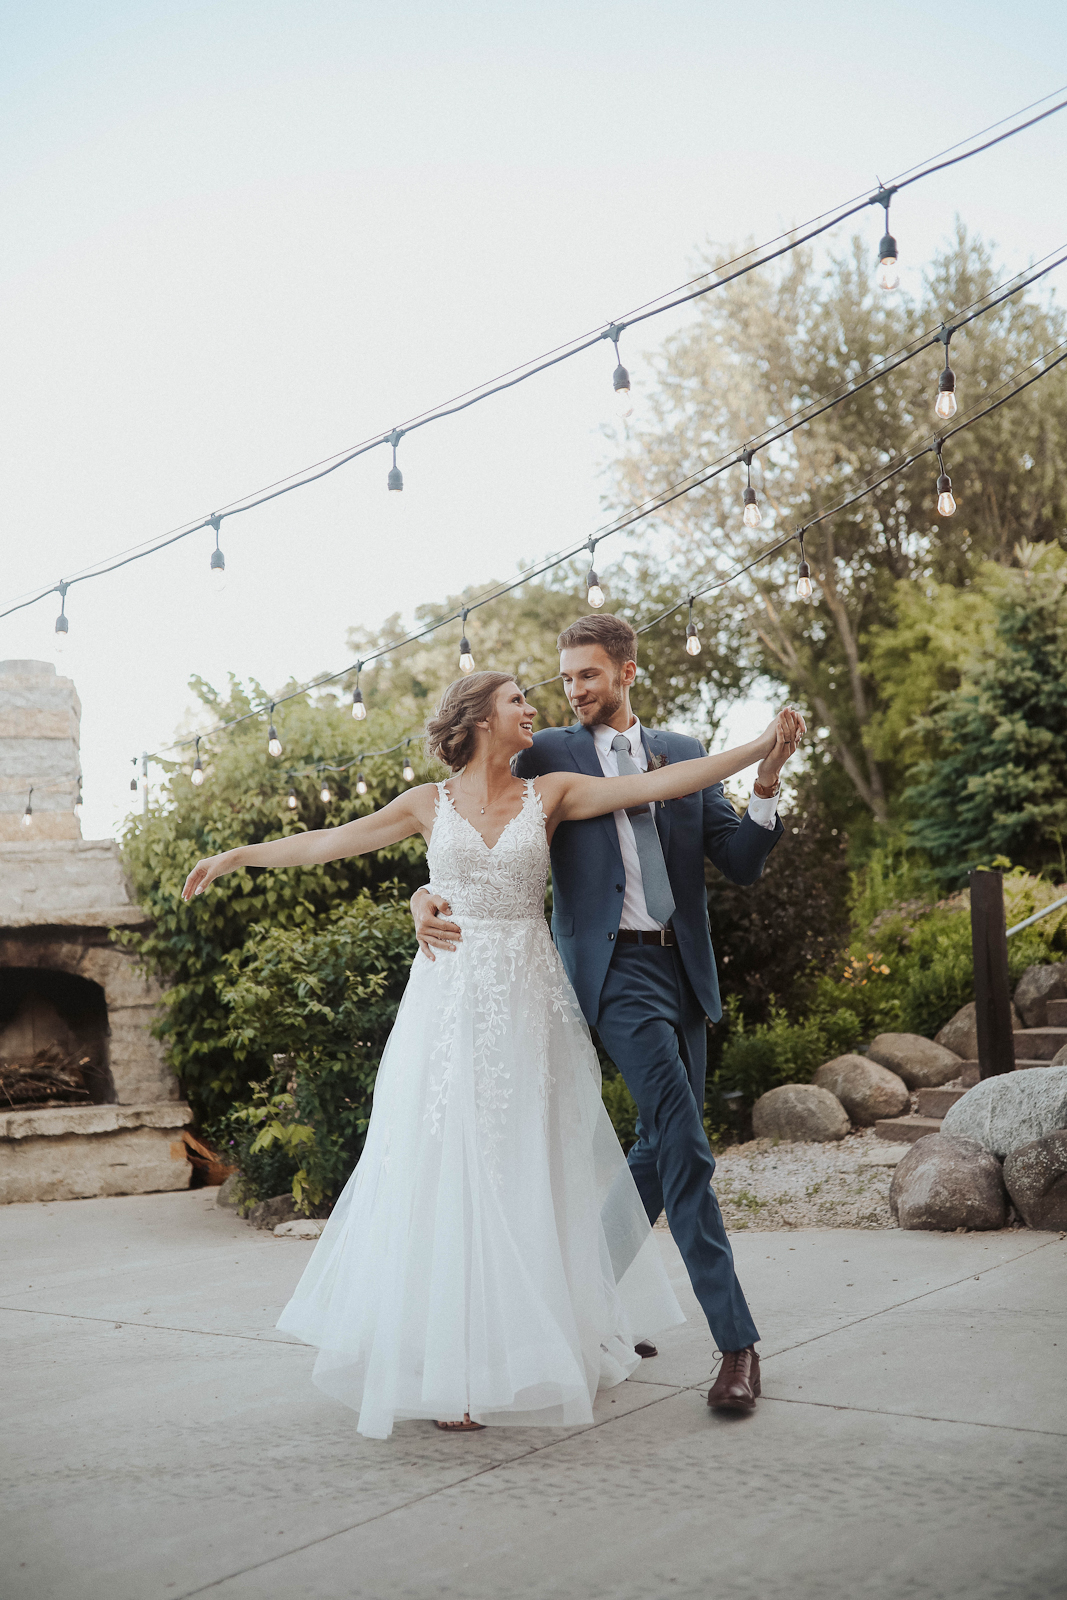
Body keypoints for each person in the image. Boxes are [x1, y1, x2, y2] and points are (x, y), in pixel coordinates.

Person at [182, 671, 797, 1437]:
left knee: (518, 1171)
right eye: (516, 700)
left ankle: (523, 1345)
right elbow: (331, 842)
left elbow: (670, 779)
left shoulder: (553, 793)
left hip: (527, 1006)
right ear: (477, 718)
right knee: (444, 1170)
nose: (532, 708)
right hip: (446, 1007)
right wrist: (238, 856)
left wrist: (759, 749)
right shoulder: (423, 804)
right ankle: (452, 1368)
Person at [411, 616, 804, 1413]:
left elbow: (739, 863)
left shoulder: (686, 751)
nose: (572, 692)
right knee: (689, 1149)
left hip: (683, 969)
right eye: (562, 680)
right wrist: (421, 896)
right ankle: (738, 1346)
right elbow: (459, 823)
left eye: (586, 676)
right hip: (613, 970)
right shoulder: (547, 753)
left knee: (661, 1148)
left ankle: (578, 1302)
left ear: (628, 672)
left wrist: (764, 783)